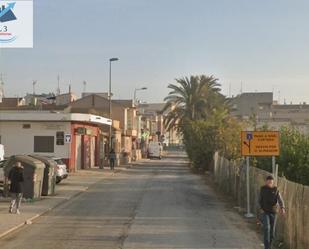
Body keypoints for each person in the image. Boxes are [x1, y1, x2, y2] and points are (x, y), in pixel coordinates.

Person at [259, 175, 285, 249]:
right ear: (266, 181)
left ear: (273, 182)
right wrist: (260, 208)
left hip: (273, 212)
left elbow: (280, 199)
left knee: (272, 232)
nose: (270, 182)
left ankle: (269, 246)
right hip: (265, 211)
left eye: (271, 181)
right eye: (269, 181)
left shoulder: (276, 190)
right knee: (267, 228)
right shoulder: (263, 189)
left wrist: (282, 207)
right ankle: (266, 247)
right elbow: (259, 200)